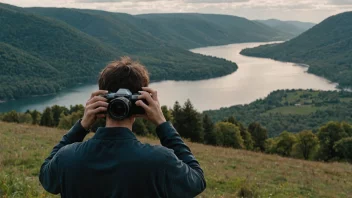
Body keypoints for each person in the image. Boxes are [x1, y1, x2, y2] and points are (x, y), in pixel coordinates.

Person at [39, 57, 206, 198]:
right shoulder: (159, 161)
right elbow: (197, 181)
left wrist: (82, 126)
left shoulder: (67, 158)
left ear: (101, 99)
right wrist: (162, 123)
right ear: (142, 102)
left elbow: (46, 177)